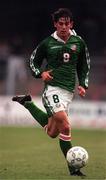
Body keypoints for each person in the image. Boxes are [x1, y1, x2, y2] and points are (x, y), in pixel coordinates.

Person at [12, 8, 90, 177]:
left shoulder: (79, 42)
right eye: (60, 23)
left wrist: (83, 84)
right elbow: (33, 61)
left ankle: (27, 103)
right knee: (66, 125)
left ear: (71, 24)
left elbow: (84, 65)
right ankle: (73, 168)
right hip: (52, 89)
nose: (64, 26)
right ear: (55, 24)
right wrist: (41, 74)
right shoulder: (47, 43)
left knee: (52, 132)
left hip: (68, 92)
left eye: (67, 23)